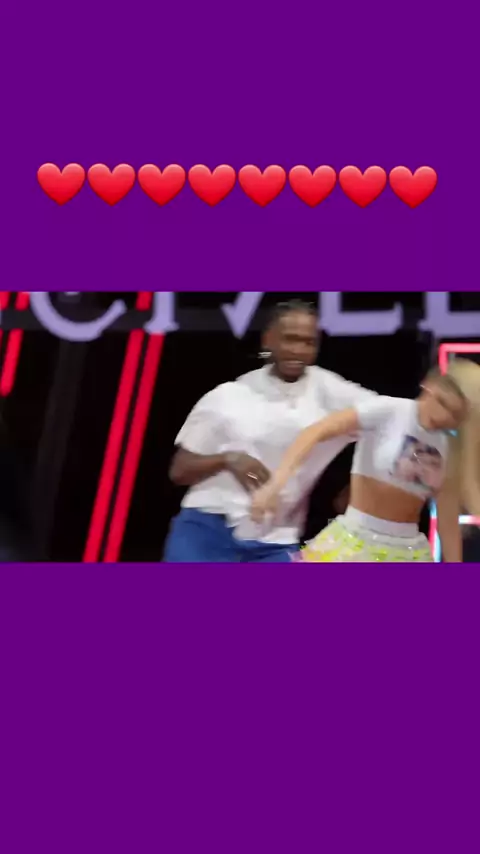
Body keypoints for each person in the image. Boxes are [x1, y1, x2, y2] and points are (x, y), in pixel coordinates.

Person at [163, 300, 379, 562]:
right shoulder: (227, 396)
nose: (298, 350)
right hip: (206, 530)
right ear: (268, 340)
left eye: (308, 342)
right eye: (290, 339)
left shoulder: (332, 393)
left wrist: (358, 490)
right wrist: (229, 459)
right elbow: (179, 471)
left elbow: (394, 420)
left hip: (275, 540)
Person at [250, 359, 480, 563]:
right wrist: (275, 484)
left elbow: (447, 519)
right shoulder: (389, 410)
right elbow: (316, 431)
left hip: (409, 552)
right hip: (354, 540)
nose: (444, 417)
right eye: (442, 403)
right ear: (430, 386)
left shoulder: (449, 448)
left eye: (455, 415)